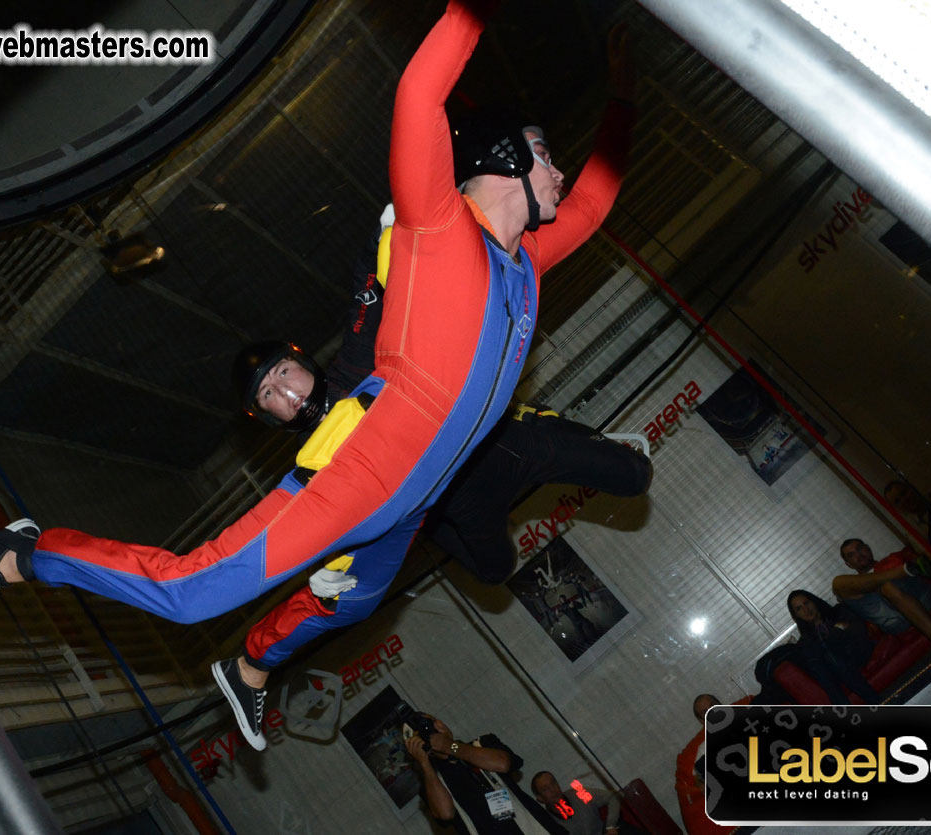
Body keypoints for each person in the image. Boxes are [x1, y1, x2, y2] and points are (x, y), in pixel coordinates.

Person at [0, 0, 635, 751]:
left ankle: (250, 668)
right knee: (190, 594)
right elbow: (420, 93)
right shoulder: (435, 223)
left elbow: (593, 202)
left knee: (352, 602)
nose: (560, 171)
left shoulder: (526, 268)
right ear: (505, 159)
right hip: (363, 472)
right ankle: (28, 553)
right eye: (545, 154)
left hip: (414, 503)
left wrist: (623, 91)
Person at [231, 208, 650, 725]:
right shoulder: (309, 471)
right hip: (459, 502)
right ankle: (438, 516)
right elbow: (304, 533)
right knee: (495, 570)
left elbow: (368, 285)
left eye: (283, 372)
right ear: (268, 416)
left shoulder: (357, 363)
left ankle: (543, 423)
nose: (285, 391)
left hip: (503, 444)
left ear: (301, 362)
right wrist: (323, 575)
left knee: (635, 477)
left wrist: (393, 223)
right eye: (268, 394)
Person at [403, 713, 567, 834]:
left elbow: (503, 763)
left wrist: (450, 746)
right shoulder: (433, 782)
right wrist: (424, 763)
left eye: (431, 722)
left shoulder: (482, 744)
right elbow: (445, 814)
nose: (433, 729)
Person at [832, 538, 931, 652]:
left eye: (859, 548)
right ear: (848, 564)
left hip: (922, 599)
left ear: (868, 548)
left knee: (887, 587)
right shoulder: (852, 586)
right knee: (837, 583)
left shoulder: (895, 558)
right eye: (851, 555)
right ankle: (904, 571)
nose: (858, 555)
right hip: (895, 621)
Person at [785, 589, 878, 704]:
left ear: (814, 601)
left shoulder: (838, 612)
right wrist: (838, 629)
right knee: (824, 656)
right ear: (796, 615)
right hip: (838, 669)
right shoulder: (807, 641)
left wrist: (831, 639)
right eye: (799, 608)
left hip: (858, 652)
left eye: (806, 603)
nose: (806, 610)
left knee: (827, 654)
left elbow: (858, 632)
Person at [675, 694, 739, 835]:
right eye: (706, 712)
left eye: (713, 705)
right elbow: (698, 777)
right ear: (702, 721)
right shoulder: (703, 748)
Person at [530, 770, 626, 835]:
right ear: (540, 798)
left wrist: (610, 826)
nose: (553, 790)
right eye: (545, 789)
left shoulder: (578, 794)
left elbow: (613, 796)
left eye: (553, 783)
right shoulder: (547, 821)